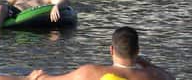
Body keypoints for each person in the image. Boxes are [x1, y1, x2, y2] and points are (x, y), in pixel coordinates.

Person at [26, 26, 175, 80]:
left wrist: (37, 76)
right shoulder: (157, 75)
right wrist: (147, 64)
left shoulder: (89, 73)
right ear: (138, 50)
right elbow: (171, 77)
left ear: (111, 50)